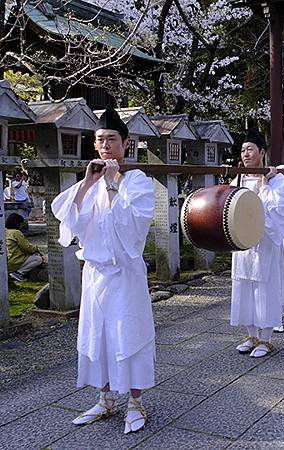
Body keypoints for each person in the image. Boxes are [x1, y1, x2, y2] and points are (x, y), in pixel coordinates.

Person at [51, 107, 155, 434]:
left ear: (126, 144)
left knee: (129, 334)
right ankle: (105, 397)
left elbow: (134, 228)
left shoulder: (136, 181)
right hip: (95, 273)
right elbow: (69, 222)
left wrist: (111, 185)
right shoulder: (92, 181)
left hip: (124, 275)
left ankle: (135, 402)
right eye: (100, 140)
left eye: (112, 139)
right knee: (98, 336)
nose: (105, 145)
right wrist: (86, 184)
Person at [230, 130, 284, 355]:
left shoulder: (277, 180)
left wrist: (265, 185)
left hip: (264, 242)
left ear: (262, 152)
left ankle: (266, 338)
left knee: (264, 289)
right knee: (244, 286)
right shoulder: (238, 178)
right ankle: (251, 335)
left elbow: (280, 212)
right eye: (243, 150)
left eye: (250, 149)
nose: (246, 154)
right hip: (242, 243)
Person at [5, 213, 44, 281]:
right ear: (17, 223)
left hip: (6, 262)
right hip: (15, 262)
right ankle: (18, 273)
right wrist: (36, 248)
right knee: (38, 259)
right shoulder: (16, 233)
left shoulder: (4, 231)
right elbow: (27, 248)